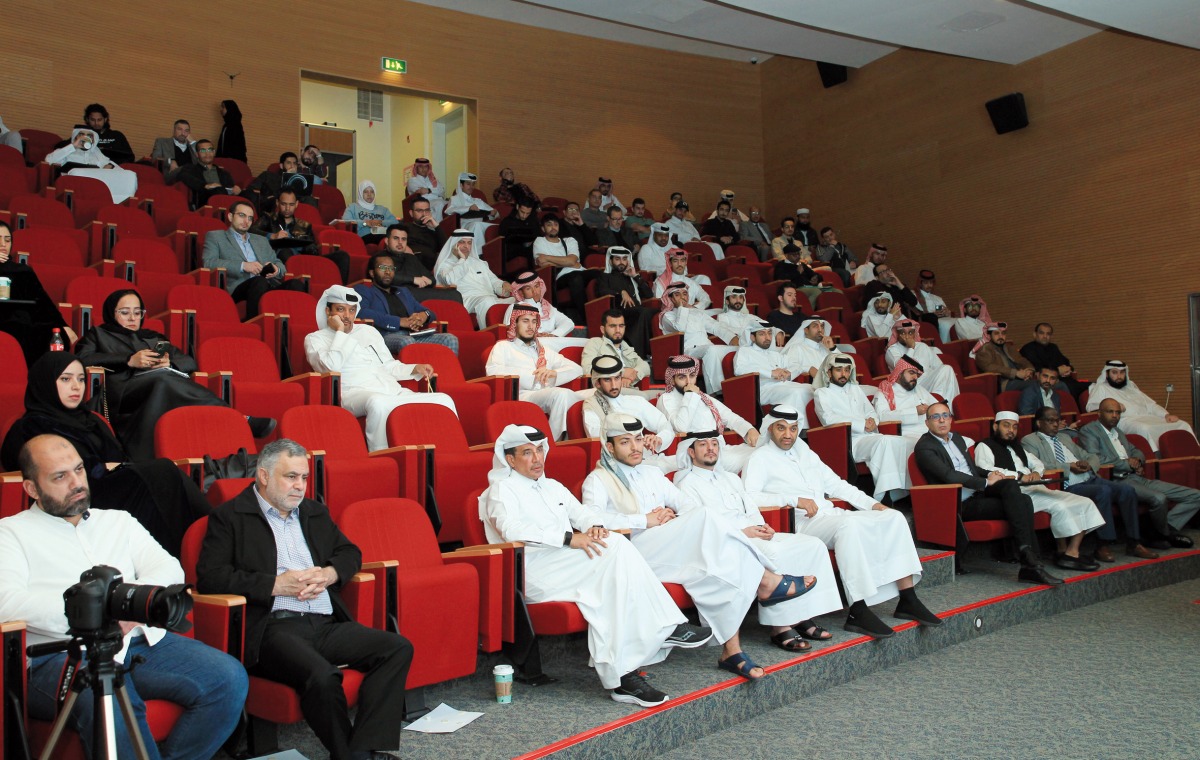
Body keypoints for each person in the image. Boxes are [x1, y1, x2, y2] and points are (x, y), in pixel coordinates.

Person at [1, 434, 248, 760]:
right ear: (31, 488)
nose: (76, 482)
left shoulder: (117, 520)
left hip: (135, 638)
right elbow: (8, 603)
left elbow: (169, 568)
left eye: (78, 470)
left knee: (228, 679)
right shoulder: (11, 533)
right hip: (61, 655)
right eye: (60, 477)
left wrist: (128, 609)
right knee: (113, 701)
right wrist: (96, 612)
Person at [196, 439, 413, 760]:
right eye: (291, 477)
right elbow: (211, 577)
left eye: (304, 478)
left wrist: (329, 574)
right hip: (273, 628)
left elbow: (350, 552)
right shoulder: (230, 516)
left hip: (324, 622)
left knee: (397, 648)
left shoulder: (313, 512)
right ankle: (352, 757)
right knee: (323, 677)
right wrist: (274, 585)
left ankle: (361, 748)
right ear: (264, 476)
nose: (300, 487)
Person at [479, 424, 712, 706]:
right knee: (615, 550)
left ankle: (623, 679)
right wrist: (569, 538)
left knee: (611, 563)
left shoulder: (552, 486)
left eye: (540, 449)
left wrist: (596, 527)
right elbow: (510, 529)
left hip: (566, 564)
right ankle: (665, 627)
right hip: (533, 571)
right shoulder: (501, 490)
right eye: (527, 453)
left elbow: (583, 514)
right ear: (510, 459)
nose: (537, 458)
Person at [583, 415, 816, 679]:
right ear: (610, 447)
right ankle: (767, 580)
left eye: (638, 439)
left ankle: (732, 651)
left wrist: (673, 515)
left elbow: (687, 505)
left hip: (670, 548)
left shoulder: (651, 473)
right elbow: (592, 522)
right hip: (634, 551)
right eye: (625, 442)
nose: (636, 447)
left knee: (722, 568)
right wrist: (643, 520)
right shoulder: (598, 480)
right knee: (707, 520)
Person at [743, 406, 940, 638]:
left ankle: (908, 598)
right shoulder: (759, 458)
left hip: (830, 515)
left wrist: (873, 505)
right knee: (850, 526)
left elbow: (837, 484)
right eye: (781, 428)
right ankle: (858, 609)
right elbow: (749, 496)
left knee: (894, 517)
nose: (788, 434)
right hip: (800, 523)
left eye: (794, 429)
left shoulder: (805, 452)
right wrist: (794, 499)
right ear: (770, 428)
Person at [1, 353, 211, 555]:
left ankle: (202, 539)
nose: (76, 387)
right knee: (161, 472)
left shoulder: (92, 421)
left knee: (162, 475)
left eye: (81, 379)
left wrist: (111, 467)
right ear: (45, 383)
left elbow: (119, 458)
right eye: (65, 379)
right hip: (75, 499)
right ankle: (208, 537)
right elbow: (18, 465)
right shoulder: (29, 427)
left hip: (111, 488)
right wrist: (99, 467)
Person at [675, 430, 843, 652]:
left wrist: (762, 526)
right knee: (774, 552)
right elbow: (699, 524)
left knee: (812, 544)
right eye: (703, 445)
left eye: (714, 444)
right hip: (727, 541)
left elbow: (751, 508)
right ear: (691, 451)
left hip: (753, 532)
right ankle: (780, 628)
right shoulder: (687, 484)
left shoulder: (731, 478)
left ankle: (802, 616)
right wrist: (745, 532)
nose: (710, 448)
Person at [74, 288, 275, 459]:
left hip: (162, 382)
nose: (133, 318)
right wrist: (129, 360)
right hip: (123, 389)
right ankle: (236, 417)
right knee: (163, 380)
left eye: (138, 312)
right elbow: (82, 359)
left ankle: (229, 422)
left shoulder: (153, 337)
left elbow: (188, 361)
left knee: (165, 378)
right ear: (112, 312)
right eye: (125, 312)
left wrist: (170, 362)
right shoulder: (99, 334)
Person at [914, 401, 1062, 584]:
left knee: (1015, 491)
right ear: (927, 422)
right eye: (935, 417)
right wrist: (985, 482)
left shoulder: (957, 439)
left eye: (945, 415)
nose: (942, 420)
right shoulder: (924, 446)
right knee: (1022, 501)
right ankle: (1031, 563)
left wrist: (990, 474)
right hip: (959, 502)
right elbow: (948, 475)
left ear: (951, 419)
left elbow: (972, 469)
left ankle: (1030, 561)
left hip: (978, 494)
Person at [305, 286, 456, 451]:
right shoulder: (315, 339)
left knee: (444, 400)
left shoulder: (368, 331)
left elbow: (388, 365)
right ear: (328, 311)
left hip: (389, 388)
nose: (347, 316)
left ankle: (449, 451)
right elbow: (331, 367)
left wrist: (414, 368)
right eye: (341, 310)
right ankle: (381, 454)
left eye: (352, 310)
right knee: (378, 402)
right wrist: (341, 332)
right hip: (353, 393)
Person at [1022, 406, 1156, 563]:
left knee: (1127, 490)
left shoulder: (1064, 437)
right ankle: (1102, 545)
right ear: (1039, 423)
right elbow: (1039, 465)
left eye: (1057, 421)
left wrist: (1087, 464)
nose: (1055, 424)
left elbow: (1090, 455)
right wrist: (1068, 466)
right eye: (1050, 421)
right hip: (1067, 485)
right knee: (1103, 491)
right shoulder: (1030, 440)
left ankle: (1134, 542)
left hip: (1089, 478)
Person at [974, 412, 1105, 572]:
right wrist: (1020, 476)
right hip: (1017, 493)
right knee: (1060, 506)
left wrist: (1036, 472)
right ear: (995, 426)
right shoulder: (984, 446)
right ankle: (1064, 553)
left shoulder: (1017, 446)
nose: (1011, 430)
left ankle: (1071, 551)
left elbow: (1037, 462)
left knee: (1084, 502)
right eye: (1006, 425)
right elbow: (985, 469)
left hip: (1036, 486)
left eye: (1015, 427)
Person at [1078, 399, 1198, 546]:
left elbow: (1136, 451)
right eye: (1110, 412)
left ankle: (1161, 531)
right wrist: (1127, 464)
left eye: (1118, 412)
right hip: (1118, 481)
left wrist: (1137, 460)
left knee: (1195, 496)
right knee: (1159, 499)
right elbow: (1096, 458)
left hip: (1137, 476)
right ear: (1099, 413)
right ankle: (1164, 534)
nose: (1115, 415)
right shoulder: (1089, 431)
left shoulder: (1118, 432)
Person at [813, 352, 911, 503]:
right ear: (828, 372)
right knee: (884, 443)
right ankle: (884, 495)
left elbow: (871, 411)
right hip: (849, 441)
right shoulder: (822, 393)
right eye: (839, 370)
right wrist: (861, 424)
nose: (843, 374)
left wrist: (873, 420)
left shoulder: (855, 390)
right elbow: (828, 419)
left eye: (847, 370)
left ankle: (900, 491)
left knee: (900, 441)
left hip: (869, 435)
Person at [485, 304, 586, 440]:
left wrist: (553, 373)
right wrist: (532, 375)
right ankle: (553, 441)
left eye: (534, 322)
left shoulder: (543, 351)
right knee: (562, 395)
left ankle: (571, 440)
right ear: (515, 323)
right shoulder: (503, 346)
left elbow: (577, 369)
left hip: (546, 393)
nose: (530, 326)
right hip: (520, 395)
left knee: (588, 396)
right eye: (525, 321)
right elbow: (493, 371)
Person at [202, 199, 305, 318]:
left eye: (250, 218)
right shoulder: (216, 236)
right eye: (242, 216)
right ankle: (255, 321)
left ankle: (297, 328)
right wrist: (243, 266)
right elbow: (209, 263)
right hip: (238, 287)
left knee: (296, 284)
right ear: (230, 216)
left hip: (267, 284)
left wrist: (276, 269)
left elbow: (280, 265)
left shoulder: (261, 240)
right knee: (259, 282)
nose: (246, 221)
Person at [656, 355, 758, 473]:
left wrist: (749, 429)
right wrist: (690, 395)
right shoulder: (666, 399)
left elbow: (729, 416)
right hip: (690, 455)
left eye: (692, 376)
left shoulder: (704, 397)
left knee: (761, 450)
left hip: (718, 450)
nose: (689, 382)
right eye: (682, 377)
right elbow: (680, 426)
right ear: (672, 379)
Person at [353, 252, 459, 355]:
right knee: (406, 341)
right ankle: (415, 372)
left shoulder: (403, 292)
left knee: (450, 339)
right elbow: (362, 312)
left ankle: (445, 372)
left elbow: (430, 313)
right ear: (372, 273)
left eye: (391, 268)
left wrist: (423, 315)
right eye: (383, 268)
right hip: (385, 336)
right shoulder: (364, 290)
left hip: (412, 334)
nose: (387, 272)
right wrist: (399, 322)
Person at [583, 357, 675, 468]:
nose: (614, 385)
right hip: (619, 465)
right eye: (607, 380)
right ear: (597, 383)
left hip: (648, 458)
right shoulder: (592, 406)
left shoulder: (636, 401)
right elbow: (598, 438)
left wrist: (658, 439)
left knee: (686, 463)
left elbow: (666, 426)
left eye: (617, 378)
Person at [0, 220, 71, 365]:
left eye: (7, 240)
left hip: (22, 321)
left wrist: (63, 325)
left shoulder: (23, 271)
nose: (3, 244)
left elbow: (42, 301)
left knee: (54, 333)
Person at [1085, 360, 1196, 451]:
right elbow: (1091, 407)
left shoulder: (1131, 386)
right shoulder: (1101, 387)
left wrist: (1166, 415)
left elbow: (1151, 405)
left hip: (1149, 418)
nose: (1119, 376)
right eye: (1114, 372)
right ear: (1107, 374)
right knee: (1145, 428)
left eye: (1122, 372)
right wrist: (1114, 406)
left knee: (1182, 424)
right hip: (1126, 421)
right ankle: (1155, 457)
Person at [253, 187, 349, 283]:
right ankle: (296, 283)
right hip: (281, 258)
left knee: (342, 256)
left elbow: (313, 250)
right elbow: (251, 231)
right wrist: (272, 236)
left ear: (297, 204)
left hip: (304, 259)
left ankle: (339, 291)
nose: (287, 208)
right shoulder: (268, 218)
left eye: (291, 205)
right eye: (283, 204)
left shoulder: (305, 225)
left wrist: (299, 243)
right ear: (277, 203)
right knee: (286, 251)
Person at [659, 282, 738, 392]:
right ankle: (716, 392)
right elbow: (680, 328)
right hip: (687, 351)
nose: (682, 297)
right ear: (671, 299)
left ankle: (739, 388)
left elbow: (715, 326)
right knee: (711, 350)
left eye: (685, 294)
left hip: (706, 346)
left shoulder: (696, 312)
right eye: (677, 294)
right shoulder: (667, 316)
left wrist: (732, 338)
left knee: (739, 349)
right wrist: (682, 308)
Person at [735, 320, 812, 427]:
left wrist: (789, 373)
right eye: (762, 334)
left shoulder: (775, 354)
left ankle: (807, 427)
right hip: (762, 389)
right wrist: (770, 373)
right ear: (752, 337)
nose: (767, 337)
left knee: (811, 389)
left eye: (770, 333)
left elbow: (797, 365)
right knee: (797, 392)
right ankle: (797, 428)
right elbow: (739, 369)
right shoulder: (745, 352)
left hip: (783, 384)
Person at [434, 229, 514, 329]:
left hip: (490, 298)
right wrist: (462, 260)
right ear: (454, 244)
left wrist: (503, 285)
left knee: (518, 301)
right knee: (486, 301)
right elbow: (450, 281)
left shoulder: (479, 262)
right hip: (466, 301)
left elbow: (493, 280)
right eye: (462, 242)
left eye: (469, 243)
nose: (466, 246)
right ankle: (489, 333)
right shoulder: (445, 265)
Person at [45, 127, 138, 203]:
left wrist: (110, 167)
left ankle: (120, 202)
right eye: (81, 134)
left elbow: (115, 168)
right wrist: (73, 146)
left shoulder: (97, 154)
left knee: (130, 175)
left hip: (96, 187)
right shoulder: (67, 151)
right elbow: (49, 161)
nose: (85, 137)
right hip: (74, 182)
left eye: (89, 135)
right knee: (77, 173)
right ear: (75, 136)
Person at [532, 213, 594, 325]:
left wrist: (547, 257)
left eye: (556, 224)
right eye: (549, 224)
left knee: (600, 274)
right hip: (559, 278)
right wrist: (568, 262)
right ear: (543, 228)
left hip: (581, 271)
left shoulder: (570, 240)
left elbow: (571, 260)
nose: (553, 227)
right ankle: (586, 321)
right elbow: (542, 263)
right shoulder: (539, 241)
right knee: (576, 278)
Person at [503, 271, 585, 353]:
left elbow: (568, 323)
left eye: (536, 286)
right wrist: (536, 335)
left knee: (587, 343)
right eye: (528, 288)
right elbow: (510, 331)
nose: (535, 291)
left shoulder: (548, 306)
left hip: (552, 340)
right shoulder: (515, 307)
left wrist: (553, 335)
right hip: (531, 343)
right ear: (521, 292)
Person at [375, 224, 459, 303]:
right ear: (387, 241)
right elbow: (385, 277)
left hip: (418, 292)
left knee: (455, 294)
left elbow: (431, 278)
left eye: (404, 239)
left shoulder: (411, 258)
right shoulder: (380, 258)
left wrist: (428, 281)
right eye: (396, 238)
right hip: (395, 294)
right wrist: (413, 280)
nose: (400, 242)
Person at [594, 246, 654, 358]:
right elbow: (601, 291)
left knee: (653, 312)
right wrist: (621, 292)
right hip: (619, 312)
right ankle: (640, 354)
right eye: (617, 259)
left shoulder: (631, 277)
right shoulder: (604, 276)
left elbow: (649, 295)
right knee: (644, 312)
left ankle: (642, 352)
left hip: (637, 310)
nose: (621, 262)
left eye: (624, 259)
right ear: (610, 261)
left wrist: (635, 276)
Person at [885, 319, 960, 403]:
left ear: (915, 334)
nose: (907, 336)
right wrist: (911, 348)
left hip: (927, 381)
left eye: (910, 333)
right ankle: (937, 404)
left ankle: (948, 406)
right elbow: (901, 367)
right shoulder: (892, 350)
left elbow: (939, 366)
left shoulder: (922, 346)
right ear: (897, 335)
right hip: (908, 384)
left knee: (947, 369)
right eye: (903, 333)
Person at [581, 309, 652, 392]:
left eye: (621, 326)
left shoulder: (626, 346)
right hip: (608, 392)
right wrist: (622, 373)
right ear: (603, 329)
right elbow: (588, 369)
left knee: (658, 395)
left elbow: (645, 366)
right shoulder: (595, 343)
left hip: (630, 391)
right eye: (613, 326)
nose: (618, 330)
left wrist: (630, 378)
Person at [1019, 322, 1088, 400]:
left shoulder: (1053, 347)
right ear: (1035, 334)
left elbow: (1065, 362)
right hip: (1048, 381)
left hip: (1065, 379)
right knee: (1070, 388)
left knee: (1091, 386)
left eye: (1048, 334)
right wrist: (1058, 370)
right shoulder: (1028, 349)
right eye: (1042, 333)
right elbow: (1038, 368)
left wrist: (1068, 368)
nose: (1045, 336)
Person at [873, 355, 937, 438]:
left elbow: (937, 406)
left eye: (917, 374)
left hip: (931, 432)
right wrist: (914, 411)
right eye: (911, 373)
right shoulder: (885, 392)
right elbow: (882, 417)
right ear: (899, 373)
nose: (915, 377)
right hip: (907, 435)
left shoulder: (919, 389)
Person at [243, 151, 314, 215]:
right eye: (289, 163)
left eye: (294, 163)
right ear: (281, 166)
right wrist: (286, 178)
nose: (292, 166)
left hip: (294, 205)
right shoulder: (268, 175)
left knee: (310, 199)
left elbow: (303, 196)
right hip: (272, 204)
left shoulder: (300, 180)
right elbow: (251, 190)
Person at [176, 139, 240, 208]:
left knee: (247, 193)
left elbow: (230, 188)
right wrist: (205, 185)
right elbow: (182, 175)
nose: (207, 153)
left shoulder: (224, 173)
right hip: (205, 202)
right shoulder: (191, 168)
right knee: (218, 189)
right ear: (197, 154)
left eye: (210, 150)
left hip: (225, 200)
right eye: (203, 150)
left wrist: (235, 190)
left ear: (214, 152)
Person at [973, 322, 1036, 392]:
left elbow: (1021, 360)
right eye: (997, 333)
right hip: (1004, 383)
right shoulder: (984, 350)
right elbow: (989, 367)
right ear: (990, 336)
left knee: (1044, 383)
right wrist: (1016, 373)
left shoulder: (1009, 347)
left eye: (1003, 333)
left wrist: (1029, 370)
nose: (1000, 336)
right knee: (1035, 385)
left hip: (1019, 379)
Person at [445, 171, 498, 249]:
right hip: (465, 226)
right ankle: (478, 254)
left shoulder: (478, 200)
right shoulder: (455, 199)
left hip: (479, 224)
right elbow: (448, 211)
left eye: (473, 184)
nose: (471, 187)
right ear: (461, 185)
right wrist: (468, 208)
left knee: (496, 226)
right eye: (468, 184)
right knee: (476, 225)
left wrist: (494, 213)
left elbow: (493, 213)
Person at [399, 196, 446, 272]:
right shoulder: (403, 228)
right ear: (411, 213)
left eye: (427, 210)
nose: (424, 214)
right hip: (409, 266)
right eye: (419, 211)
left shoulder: (433, 233)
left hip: (429, 268)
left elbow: (446, 249)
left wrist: (437, 227)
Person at [773, 242, 826, 309]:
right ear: (786, 255)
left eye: (798, 254)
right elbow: (781, 280)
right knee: (816, 291)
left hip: (809, 287)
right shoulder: (781, 265)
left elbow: (815, 275)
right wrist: (797, 272)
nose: (798, 256)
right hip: (796, 288)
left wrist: (816, 278)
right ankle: (807, 312)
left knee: (835, 291)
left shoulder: (801, 265)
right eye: (794, 255)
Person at [343, 180, 397, 244]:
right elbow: (346, 221)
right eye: (365, 192)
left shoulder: (383, 209)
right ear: (360, 193)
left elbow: (395, 222)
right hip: (362, 239)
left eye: (372, 192)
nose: (369, 194)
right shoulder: (353, 207)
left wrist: (381, 222)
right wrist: (365, 223)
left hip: (383, 237)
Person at [497, 200, 540, 272]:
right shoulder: (507, 221)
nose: (524, 215)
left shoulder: (533, 221)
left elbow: (538, 236)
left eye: (528, 213)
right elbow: (501, 242)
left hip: (528, 248)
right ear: (517, 207)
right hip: (510, 250)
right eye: (522, 212)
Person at [406, 157, 446, 222]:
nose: (423, 169)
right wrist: (435, 191)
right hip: (423, 203)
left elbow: (442, 191)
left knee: (451, 203)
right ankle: (437, 227)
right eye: (420, 167)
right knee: (439, 204)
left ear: (428, 168)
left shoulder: (433, 180)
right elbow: (420, 191)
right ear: (416, 168)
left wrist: (428, 190)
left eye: (425, 167)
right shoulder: (412, 180)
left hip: (438, 200)